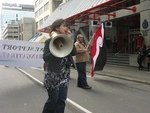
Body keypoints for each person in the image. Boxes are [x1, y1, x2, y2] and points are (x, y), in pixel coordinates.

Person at [42, 18, 76, 113]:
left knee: (61, 101)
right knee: (53, 100)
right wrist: (56, 49)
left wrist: (70, 40)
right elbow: (46, 57)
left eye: (67, 26)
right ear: (57, 28)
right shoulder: (49, 41)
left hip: (64, 75)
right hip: (53, 75)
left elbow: (73, 52)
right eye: (64, 25)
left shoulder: (66, 40)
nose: (66, 28)